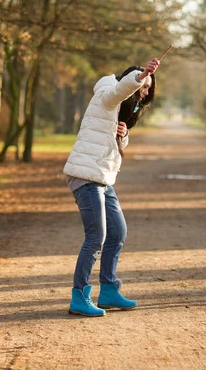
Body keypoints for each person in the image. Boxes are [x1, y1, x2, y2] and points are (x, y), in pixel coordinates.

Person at [63, 58, 159, 316]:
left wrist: (123, 135)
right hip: (85, 175)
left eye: (149, 88)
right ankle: (79, 296)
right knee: (96, 237)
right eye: (144, 86)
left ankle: (108, 290)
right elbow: (120, 90)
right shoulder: (107, 95)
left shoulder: (116, 112)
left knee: (118, 232)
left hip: (102, 177)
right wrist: (142, 74)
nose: (145, 91)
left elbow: (110, 145)